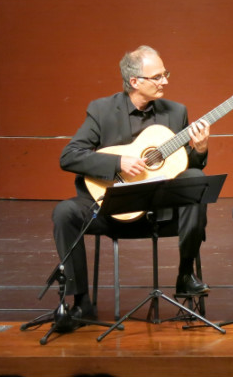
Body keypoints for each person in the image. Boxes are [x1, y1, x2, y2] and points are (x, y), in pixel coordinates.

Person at [54, 45, 211, 319]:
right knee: (65, 212)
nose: (166, 81)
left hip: (161, 211)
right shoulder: (102, 110)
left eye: (166, 74)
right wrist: (117, 163)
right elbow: (69, 156)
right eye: (158, 76)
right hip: (112, 210)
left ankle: (185, 275)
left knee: (195, 180)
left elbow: (183, 166)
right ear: (134, 81)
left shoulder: (176, 112)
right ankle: (81, 303)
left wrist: (199, 150)